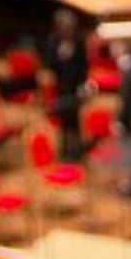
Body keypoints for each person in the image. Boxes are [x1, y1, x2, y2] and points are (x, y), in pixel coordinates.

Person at [43, 8, 90, 161]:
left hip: (75, 87)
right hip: (60, 88)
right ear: (59, 28)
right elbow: (49, 64)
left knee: (75, 120)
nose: (70, 31)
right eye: (67, 28)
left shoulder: (79, 40)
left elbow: (84, 65)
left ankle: (76, 151)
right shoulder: (52, 41)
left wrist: (83, 84)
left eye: (72, 28)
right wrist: (60, 56)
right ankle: (64, 151)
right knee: (64, 122)